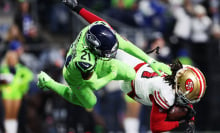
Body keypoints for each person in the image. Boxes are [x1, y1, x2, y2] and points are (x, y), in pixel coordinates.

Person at [37, 0, 171, 109]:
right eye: (108, 52)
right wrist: (111, 75)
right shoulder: (83, 62)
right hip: (75, 76)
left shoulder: (99, 29)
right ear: (95, 48)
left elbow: (127, 45)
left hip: (97, 60)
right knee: (90, 102)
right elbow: (94, 84)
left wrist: (151, 61)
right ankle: (50, 83)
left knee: (130, 73)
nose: (112, 54)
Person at [116, 50, 206, 133]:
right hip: (132, 85)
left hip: (140, 65)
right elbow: (157, 127)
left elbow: (186, 101)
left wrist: (190, 120)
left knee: (114, 46)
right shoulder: (166, 93)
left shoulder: (183, 71)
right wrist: (180, 121)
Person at [0, 50, 33, 133]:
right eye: (10, 58)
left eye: (14, 58)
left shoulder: (21, 69)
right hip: (7, 94)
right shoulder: (3, 69)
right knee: (8, 114)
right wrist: (3, 82)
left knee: (14, 115)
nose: (12, 60)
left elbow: (29, 76)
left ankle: (13, 130)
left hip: (18, 94)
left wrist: (22, 84)